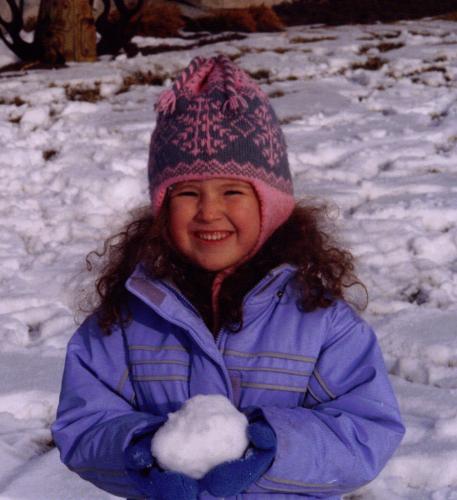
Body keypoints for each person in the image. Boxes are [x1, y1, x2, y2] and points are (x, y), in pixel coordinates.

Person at [52, 55, 405, 500]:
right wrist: (138, 451)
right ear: (162, 205)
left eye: (232, 191)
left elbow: (367, 429)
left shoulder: (320, 320)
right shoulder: (127, 318)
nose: (209, 212)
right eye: (188, 193)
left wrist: (276, 446)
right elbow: (83, 424)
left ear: (270, 204)